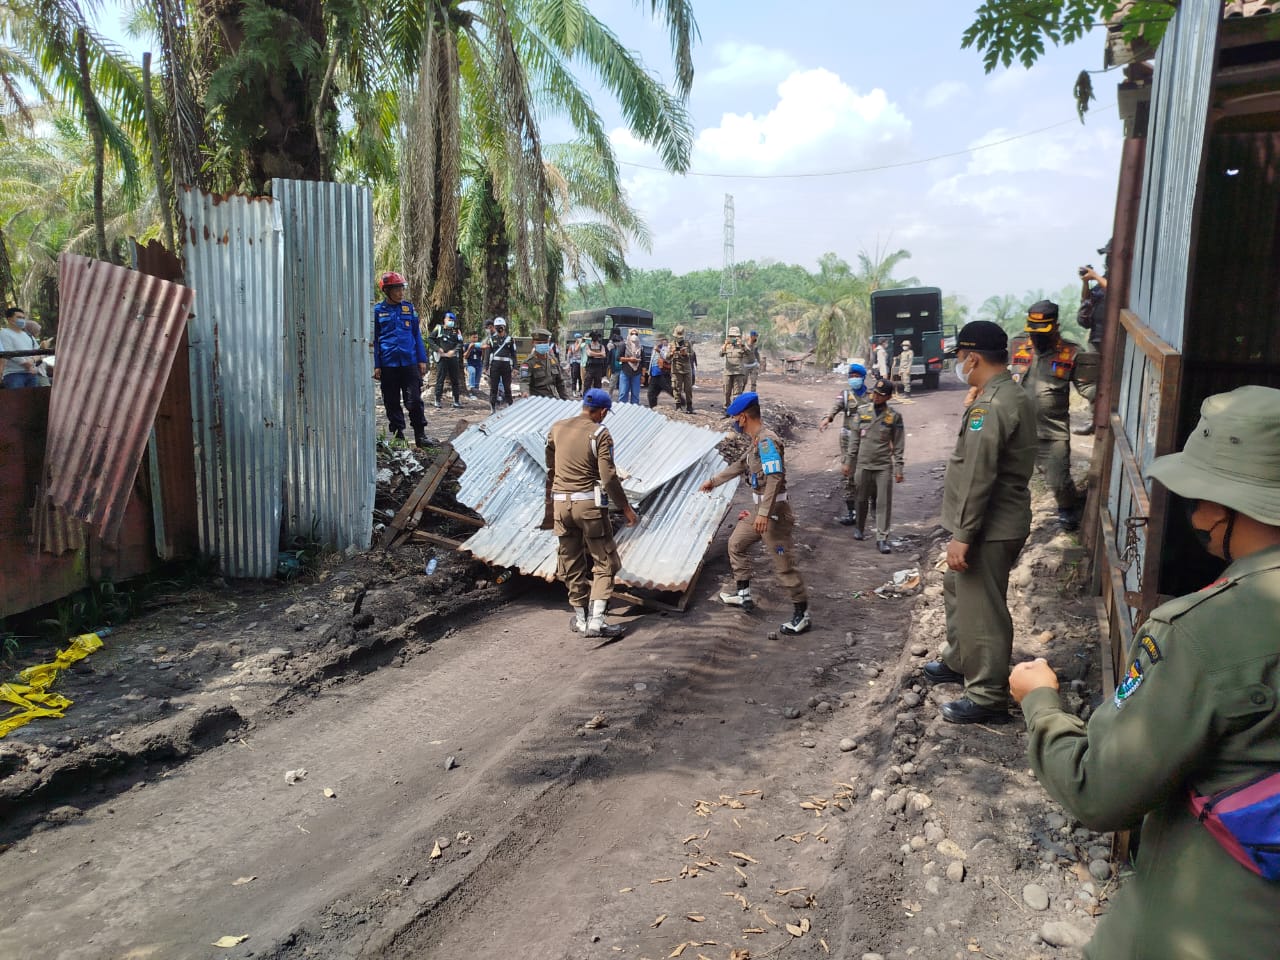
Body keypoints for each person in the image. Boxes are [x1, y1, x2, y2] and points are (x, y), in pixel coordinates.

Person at [1009, 384, 1280, 960]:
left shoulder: (1200, 632)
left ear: (1222, 504)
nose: (1195, 516)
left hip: (1212, 925)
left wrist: (1041, 704)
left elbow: (1100, 791)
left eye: (1194, 497)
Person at [922, 320, 1037, 724]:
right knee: (957, 589)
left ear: (972, 357)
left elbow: (977, 474)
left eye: (960, 358)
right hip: (991, 521)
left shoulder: (993, 405)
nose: (959, 365)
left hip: (989, 526)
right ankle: (959, 660)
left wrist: (963, 535)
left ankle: (988, 696)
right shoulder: (1002, 393)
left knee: (983, 610)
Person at [700, 392, 811, 636]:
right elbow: (740, 465)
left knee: (783, 565)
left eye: (734, 418)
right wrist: (713, 481)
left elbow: (774, 478)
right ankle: (743, 595)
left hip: (774, 515)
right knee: (736, 543)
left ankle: (801, 615)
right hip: (759, 512)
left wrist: (763, 514)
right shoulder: (755, 441)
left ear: (742, 417)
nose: (733, 422)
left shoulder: (767, 442)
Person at [543, 388, 638, 638]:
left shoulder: (557, 427)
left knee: (571, 561)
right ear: (603, 411)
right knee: (605, 561)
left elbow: (551, 465)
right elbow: (608, 477)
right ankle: (597, 621)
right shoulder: (600, 433)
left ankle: (580, 619)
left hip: (561, 505)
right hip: (588, 506)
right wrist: (626, 508)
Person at [1010, 300, 1096, 531]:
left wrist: (1106, 396)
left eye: (1042, 331)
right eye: (1033, 331)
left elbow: (1087, 388)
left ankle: (1069, 507)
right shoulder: (1017, 346)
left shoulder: (1071, 352)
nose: (1037, 336)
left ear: (1055, 326)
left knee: (1059, 482)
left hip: (1052, 431)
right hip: (1016, 430)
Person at [846, 378, 905, 554]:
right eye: (874, 393)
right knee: (861, 499)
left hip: (883, 466)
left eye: (880, 394)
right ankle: (859, 527)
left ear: (888, 397)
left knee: (883, 503)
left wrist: (899, 468)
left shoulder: (894, 416)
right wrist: (849, 462)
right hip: (863, 464)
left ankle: (882, 538)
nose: (876, 396)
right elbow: (854, 439)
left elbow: (899, 443)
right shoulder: (862, 412)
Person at [371, 272, 429, 446]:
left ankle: (420, 435)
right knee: (391, 401)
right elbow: (374, 340)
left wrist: (421, 359)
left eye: (402, 288)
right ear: (387, 290)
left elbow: (416, 335)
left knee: (414, 400)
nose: (400, 292)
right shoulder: (377, 311)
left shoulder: (408, 309)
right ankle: (399, 437)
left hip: (409, 362)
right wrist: (376, 364)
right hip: (388, 364)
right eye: (396, 289)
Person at [818, 362, 870, 527]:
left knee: (866, 475)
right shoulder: (846, 395)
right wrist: (827, 418)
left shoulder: (871, 396)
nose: (853, 379)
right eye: (851, 376)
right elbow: (835, 407)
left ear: (863, 378)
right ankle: (851, 512)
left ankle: (866, 508)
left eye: (857, 376)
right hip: (848, 439)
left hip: (868, 440)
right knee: (849, 475)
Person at [1075, 241, 1110, 436]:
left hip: (1112, 340)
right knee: (1090, 379)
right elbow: (1087, 301)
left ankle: (1102, 420)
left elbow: (1116, 292)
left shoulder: (1121, 278)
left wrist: (1095, 276)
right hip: (1096, 337)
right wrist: (1086, 282)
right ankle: (1093, 420)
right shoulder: (1102, 280)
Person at [428, 310, 465, 408]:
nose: (451, 321)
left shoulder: (457, 331)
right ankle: (437, 400)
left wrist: (454, 350)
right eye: (449, 319)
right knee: (440, 379)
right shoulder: (439, 328)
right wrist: (437, 349)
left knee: (455, 380)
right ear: (444, 320)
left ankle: (456, 401)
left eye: (453, 320)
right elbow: (430, 339)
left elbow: (460, 343)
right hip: (442, 357)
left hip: (453, 358)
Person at [1, 307, 41, 389]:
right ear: (9, 319)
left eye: (23, 318)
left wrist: (32, 361)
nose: (22, 320)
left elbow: (39, 352)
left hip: (32, 374)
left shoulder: (28, 335)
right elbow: (9, 352)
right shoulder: (4, 333)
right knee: (16, 400)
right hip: (14, 374)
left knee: (32, 400)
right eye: (19, 317)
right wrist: (26, 364)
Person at [526, 328, 568, 399]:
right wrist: (525, 392)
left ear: (548, 342)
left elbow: (560, 383)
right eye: (539, 343)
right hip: (537, 400)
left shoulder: (553, 360)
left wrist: (566, 400)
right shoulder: (528, 362)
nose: (542, 345)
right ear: (533, 343)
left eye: (544, 342)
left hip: (553, 399)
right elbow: (524, 382)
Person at [487, 317, 517, 410]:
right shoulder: (491, 339)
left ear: (504, 327)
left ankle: (510, 405)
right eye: (497, 327)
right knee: (494, 387)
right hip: (495, 365)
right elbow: (488, 354)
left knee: (507, 387)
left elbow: (514, 354)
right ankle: (492, 407)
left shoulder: (510, 339)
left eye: (501, 326)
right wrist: (485, 367)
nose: (499, 328)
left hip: (506, 365)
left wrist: (515, 368)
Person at [670, 325, 696, 413]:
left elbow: (692, 355)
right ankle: (678, 405)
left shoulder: (688, 344)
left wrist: (686, 354)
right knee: (677, 388)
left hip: (687, 369)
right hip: (676, 369)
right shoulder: (671, 344)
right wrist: (672, 352)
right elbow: (666, 357)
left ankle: (689, 406)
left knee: (688, 388)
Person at [720, 325, 747, 409]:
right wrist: (725, 344)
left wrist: (742, 345)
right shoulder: (727, 345)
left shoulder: (742, 346)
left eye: (735, 336)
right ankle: (726, 408)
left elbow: (748, 354)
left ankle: (736, 409)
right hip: (728, 372)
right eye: (731, 336)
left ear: (739, 337)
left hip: (738, 372)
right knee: (726, 391)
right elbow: (720, 354)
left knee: (737, 393)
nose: (733, 338)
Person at [646, 334, 673, 408]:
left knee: (670, 389)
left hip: (662, 373)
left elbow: (667, 358)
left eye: (659, 340)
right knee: (651, 393)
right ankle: (653, 408)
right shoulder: (654, 348)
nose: (657, 342)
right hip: (654, 373)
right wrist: (649, 373)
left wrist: (659, 351)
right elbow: (652, 361)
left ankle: (682, 402)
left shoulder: (667, 348)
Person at [618, 329, 643, 404]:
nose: (634, 335)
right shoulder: (624, 345)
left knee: (635, 395)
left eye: (636, 334)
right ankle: (621, 410)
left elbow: (643, 361)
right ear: (629, 334)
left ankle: (634, 412)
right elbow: (618, 358)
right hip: (625, 371)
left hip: (637, 373)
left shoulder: (640, 347)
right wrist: (629, 359)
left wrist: (643, 375)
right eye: (632, 334)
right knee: (623, 393)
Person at [464, 332, 485, 396]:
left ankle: (476, 391)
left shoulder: (479, 345)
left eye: (476, 337)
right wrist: (470, 348)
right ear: (470, 338)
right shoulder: (466, 345)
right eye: (474, 337)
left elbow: (482, 356)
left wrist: (483, 350)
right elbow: (465, 356)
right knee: (472, 372)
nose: (475, 339)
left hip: (479, 364)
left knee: (478, 378)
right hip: (470, 364)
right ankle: (471, 388)